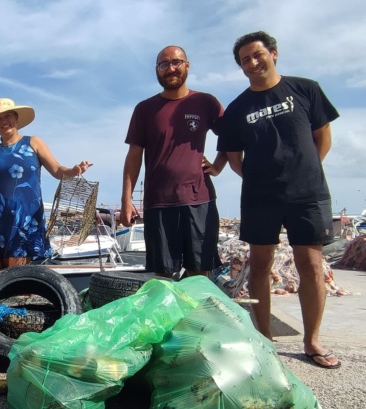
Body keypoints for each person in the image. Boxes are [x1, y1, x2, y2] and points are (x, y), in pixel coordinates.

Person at [217, 31, 341, 369]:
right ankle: (264, 338)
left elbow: (322, 136)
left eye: (257, 55)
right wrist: (258, 179)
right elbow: (232, 154)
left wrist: (305, 171)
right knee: (259, 264)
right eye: (245, 60)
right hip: (260, 197)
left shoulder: (306, 89)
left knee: (311, 264)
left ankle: (312, 340)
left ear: (273, 53)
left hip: (308, 192)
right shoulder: (238, 108)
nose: (252, 63)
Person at [121, 45, 226, 279]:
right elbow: (133, 157)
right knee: (162, 276)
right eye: (164, 64)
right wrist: (126, 200)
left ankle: (195, 317)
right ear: (157, 70)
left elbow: (232, 136)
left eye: (176, 62)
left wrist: (219, 164)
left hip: (199, 200)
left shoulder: (205, 102)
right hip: (158, 202)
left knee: (199, 273)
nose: (171, 68)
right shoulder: (144, 109)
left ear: (187, 65)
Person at [0, 98, 91, 268]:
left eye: (8, 115)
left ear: (16, 118)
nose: (4, 121)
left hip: (25, 219)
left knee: (16, 274)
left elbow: (56, 170)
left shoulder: (33, 142)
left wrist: (73, 171)